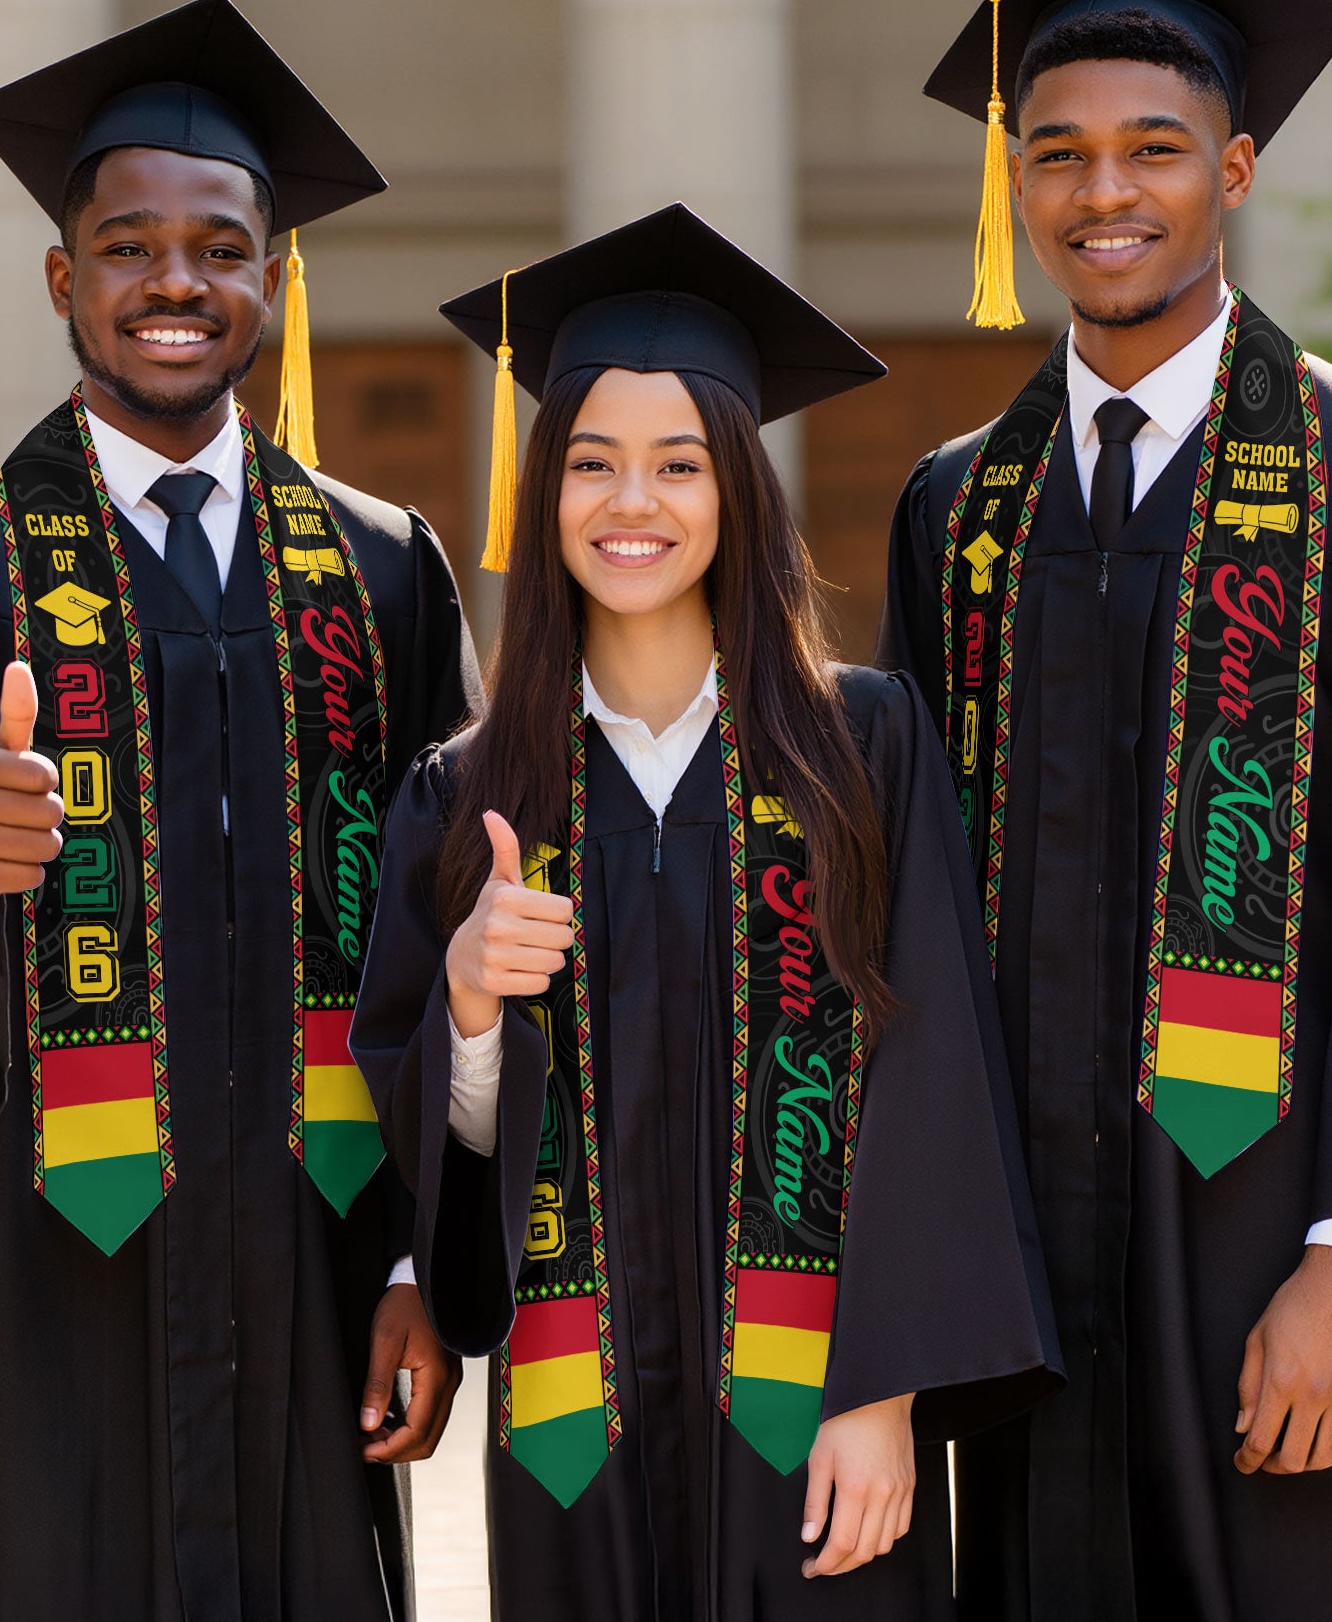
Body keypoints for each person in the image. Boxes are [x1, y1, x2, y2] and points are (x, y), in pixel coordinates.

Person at [0, 0, 480, 1619]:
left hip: (320, 1273)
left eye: (220, 246)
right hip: (57, 1280)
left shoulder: (381, 569)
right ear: (64, 278)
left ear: (274, 277)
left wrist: (419, 1266)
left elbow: (455, 922)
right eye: (126, 246)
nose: (174, 282)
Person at [353, 204, 1059, 1619]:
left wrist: (885, 1390)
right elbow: (437, 1150)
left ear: (737, 489)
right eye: (593, 464)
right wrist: (474, 1010)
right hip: (574, 1432)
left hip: (818, 1423)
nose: (634, 505)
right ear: (542, 493)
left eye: (678, 465)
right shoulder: (470, 791)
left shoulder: (865, 750)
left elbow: (934, 1081)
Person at [881, 0, 1332, 1622]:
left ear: (1235, 171)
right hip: (1027, 1247)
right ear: (1013, 180)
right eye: (1058, 151)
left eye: (1156, 148)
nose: (1105, 193)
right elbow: (909, 898)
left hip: (1274, 1235)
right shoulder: (959, 506)